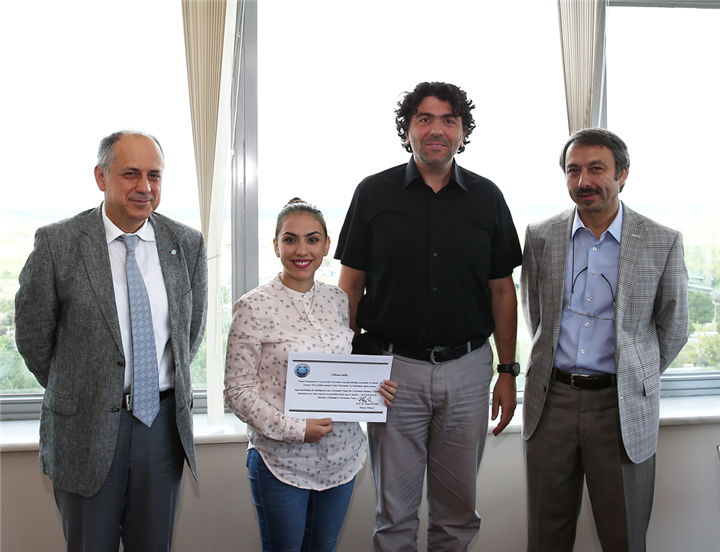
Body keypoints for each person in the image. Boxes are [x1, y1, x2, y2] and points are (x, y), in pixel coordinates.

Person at [335, 82, 523, 551]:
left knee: (457, 517)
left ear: (463, 132)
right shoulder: (373, 193)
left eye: (448, 120)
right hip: (392, 373)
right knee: (394, 517)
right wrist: (350, 368)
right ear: (407, 129)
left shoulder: (487, 197)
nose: (437, 130)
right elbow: (350, 285)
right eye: (425, 119)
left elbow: (503, 290)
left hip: (469, 372)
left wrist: (507, 371)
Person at [15, 131, 208, 552]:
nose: (145, 187)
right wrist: (80, 388)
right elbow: (33, 337)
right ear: (101, 177)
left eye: (154, 175)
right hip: (84, 429)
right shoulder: (58, 243)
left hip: (161, 428)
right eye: (131, 174)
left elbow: (189, 334)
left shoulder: (186, 244)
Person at [520, 128, 689, 552]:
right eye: (573, 170)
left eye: (596, 169)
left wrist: (634, 373)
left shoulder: (662, 240)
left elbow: (674, 326)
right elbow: (536, 315)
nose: (584, 181)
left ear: (622, 174)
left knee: (624, 536)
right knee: (545, 535)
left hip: (621, 406)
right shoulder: (540, 236)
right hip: (551, 403)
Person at [224, 199, 398, 552]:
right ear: (276, 245)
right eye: (290, 239)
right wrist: (295, 429)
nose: (301, 250)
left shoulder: (338, 301)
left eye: (312, 239)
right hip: (281, 460)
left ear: (327, 245)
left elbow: (343, 368)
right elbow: (237, 392)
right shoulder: (253, 306)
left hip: (342, 457)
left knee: (324, 546)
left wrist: (373, 389)